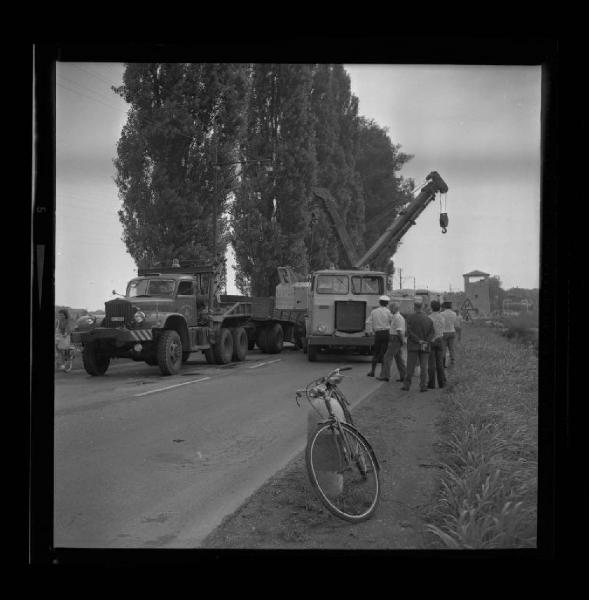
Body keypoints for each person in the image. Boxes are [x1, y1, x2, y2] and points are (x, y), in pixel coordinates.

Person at [402, 298, 435, 392]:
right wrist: (425, 341)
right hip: (425, 346)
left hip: (413, 345)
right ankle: (423, 386)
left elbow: (409, 332)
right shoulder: (428, 319)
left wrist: (418, 340)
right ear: (422, 307)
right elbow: (432, 333)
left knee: (410, 366)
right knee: (424, 367)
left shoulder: (410, 318)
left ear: (414, 307)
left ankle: (407, 385)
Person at [378, 302, 406, 382]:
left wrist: (402, 341)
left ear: (394, 308)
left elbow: (399, 331)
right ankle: (404, 376)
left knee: (387, 357)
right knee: (399, 359)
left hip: (395, 339)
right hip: (396, 339)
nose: (390, 309)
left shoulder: (397, 317)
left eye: (391, 308)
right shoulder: (397, 317)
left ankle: (385, 376)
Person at [365, 295, 392, 377]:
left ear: (379, 302)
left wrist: (369, 331)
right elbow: (392, 322)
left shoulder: (374, 311)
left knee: (376, 353)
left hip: (378, 334)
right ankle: (382, 373)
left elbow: (368, 322)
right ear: (387, 303)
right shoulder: (389, 312)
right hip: (386, 333)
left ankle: (372, 371)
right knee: (384, 354)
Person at [427, 300, 446, 389]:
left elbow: (428, 331)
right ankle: (441, 383)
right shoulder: (442, 317)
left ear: (431, 307)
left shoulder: (429, 317)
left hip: (431, 341)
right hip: (440, 340)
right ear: (439, 308)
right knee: (440, 363)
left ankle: (431, 384)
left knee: (431, 363)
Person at [441, 301, 457, 366]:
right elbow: (454, 323)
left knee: (443, 348)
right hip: (452, 331)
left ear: (444, 306)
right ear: (450, 306)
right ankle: (453, 360)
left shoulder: (442, 314)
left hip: (444, 332)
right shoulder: (454, 313)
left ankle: (443, 362)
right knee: (451, 347)